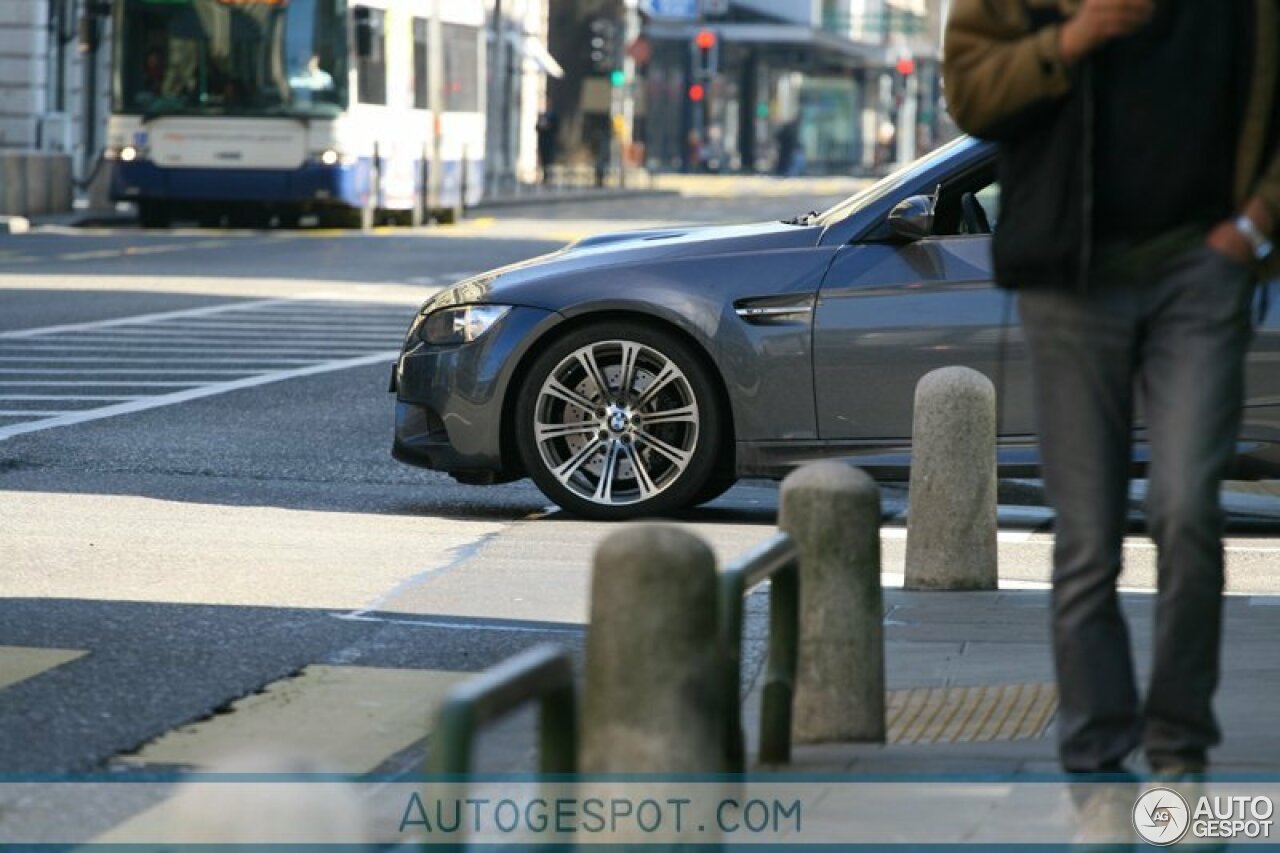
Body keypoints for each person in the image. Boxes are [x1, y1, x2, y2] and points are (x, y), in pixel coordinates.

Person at [944, 0, 1280, 778]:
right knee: (1087, 533)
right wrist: (1073, 37)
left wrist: (1256, 227)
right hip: (1070, 277)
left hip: (1203, 273)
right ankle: (1096, 755)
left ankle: (1177, 749)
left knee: (1187, 509)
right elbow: (970, 93)